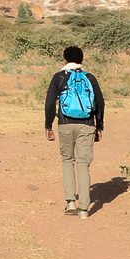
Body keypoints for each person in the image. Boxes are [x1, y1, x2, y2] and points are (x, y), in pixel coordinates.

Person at [44, 45, 105, 216]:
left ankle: (70, 201)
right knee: (83, 164)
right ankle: (84, 209)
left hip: (65, 124)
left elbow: (50, 103)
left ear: (64, 59)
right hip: (87, 124)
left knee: (67, 160)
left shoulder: (59, 77)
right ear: (82, 60)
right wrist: (99, 126)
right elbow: (100, 103)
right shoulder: (90, 77)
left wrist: (48, 125)